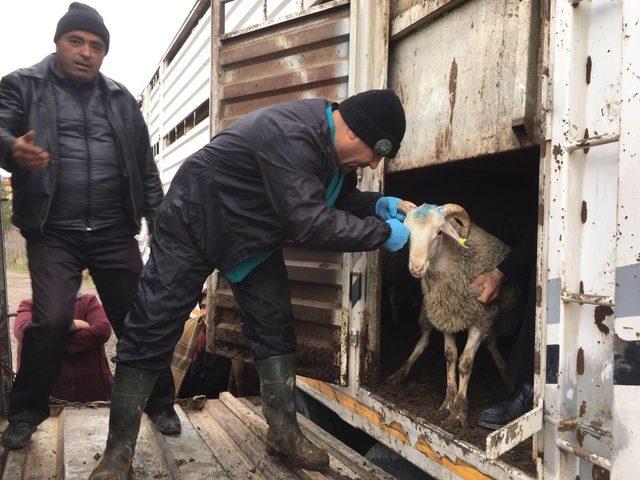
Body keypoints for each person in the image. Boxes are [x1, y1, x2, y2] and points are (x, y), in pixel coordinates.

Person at [90, 89, 413, 478]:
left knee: (274, 322)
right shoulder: (293, 137)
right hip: (193, 220)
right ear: (356, 134)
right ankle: (117, 453)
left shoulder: (333, 150)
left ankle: (283, 433)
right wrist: (381, 233)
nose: (376, 162)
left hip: (248, 232)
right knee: (152, 323)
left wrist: (378, 204)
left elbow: (332, 199)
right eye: (377, 152)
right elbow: (309, 221)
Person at [0, 2, 171, 451]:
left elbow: (145, 167)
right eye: (75, 41)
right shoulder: (23, 85)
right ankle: (26, 412)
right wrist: (12, 149)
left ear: (104, 53)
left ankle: (160, 401)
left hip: (115, 231)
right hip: (53, 231)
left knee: (139, 319)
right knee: (52, 319)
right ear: (57, 43)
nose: (86, 52)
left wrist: (159, 220)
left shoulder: (119, 99)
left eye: (96, 45)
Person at [14, 292, 113, 403]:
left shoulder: (88, 302)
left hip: (92, 393)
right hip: (47, 397)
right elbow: (24, 331)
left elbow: (102, 330)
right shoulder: (30, 305)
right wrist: (73, 325)